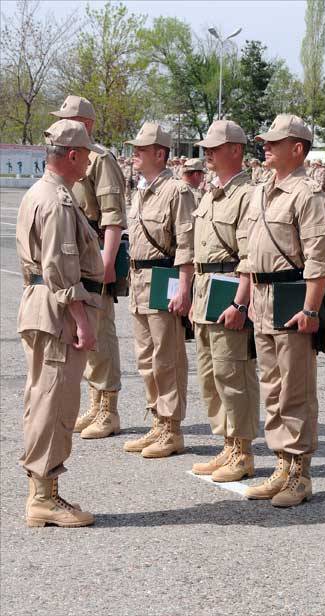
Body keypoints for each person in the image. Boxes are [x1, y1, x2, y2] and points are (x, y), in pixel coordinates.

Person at [242, 114, 325, 507]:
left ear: (297, 149)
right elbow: (249, 251)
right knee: (273, 388)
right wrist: (245, 298)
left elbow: (319, 258)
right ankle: (281, 464)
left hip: (292, 298)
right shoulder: (262, 191)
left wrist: (311, 310)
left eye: (275, 142)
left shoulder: (307, 194)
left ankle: (299, 473)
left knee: (295, 389)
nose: (266, 146)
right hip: (262, 299)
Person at [17, 119, 104, 527]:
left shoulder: (40, 192)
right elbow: (60, 268)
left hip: (39, 303)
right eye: (86, 153)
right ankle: (44, 498)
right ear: (72, 155)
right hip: (56, 311)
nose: (88, 161)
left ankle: (44, 491)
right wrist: (81, 320)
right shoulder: (57, 201)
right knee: (54, 402)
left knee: (43, 399)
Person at [50, 95, 127, 441]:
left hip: (95, 250)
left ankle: (108, 408)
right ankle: (95, 402)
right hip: (76, 251)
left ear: (86, 124)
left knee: (101, 329)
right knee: (82, 329)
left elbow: (113, 217)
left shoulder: (100, 160)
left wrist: (108, 262)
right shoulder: (72, 156)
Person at [188, 120, 260, 482]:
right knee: (210, 375)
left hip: (230, 289)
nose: (208, 155)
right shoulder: (210, 193)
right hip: (205, 291)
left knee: (234, 374)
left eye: (215, 148)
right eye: (207, 149)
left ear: (236, 150)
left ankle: (243, 451)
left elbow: (249, 256)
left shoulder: (248, 195)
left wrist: (242, 303)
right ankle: (228, 444)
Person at [122, 122, 195, 458]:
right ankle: (156, 422)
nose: (134, 153)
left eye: (141, 148)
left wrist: (184, 286)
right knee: (145, 358)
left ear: (160, 153)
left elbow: (186, 243)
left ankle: (171, 427)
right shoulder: (141, 189)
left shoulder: (176, 191)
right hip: (139, 281)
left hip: (163, 279)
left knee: (167, 358)